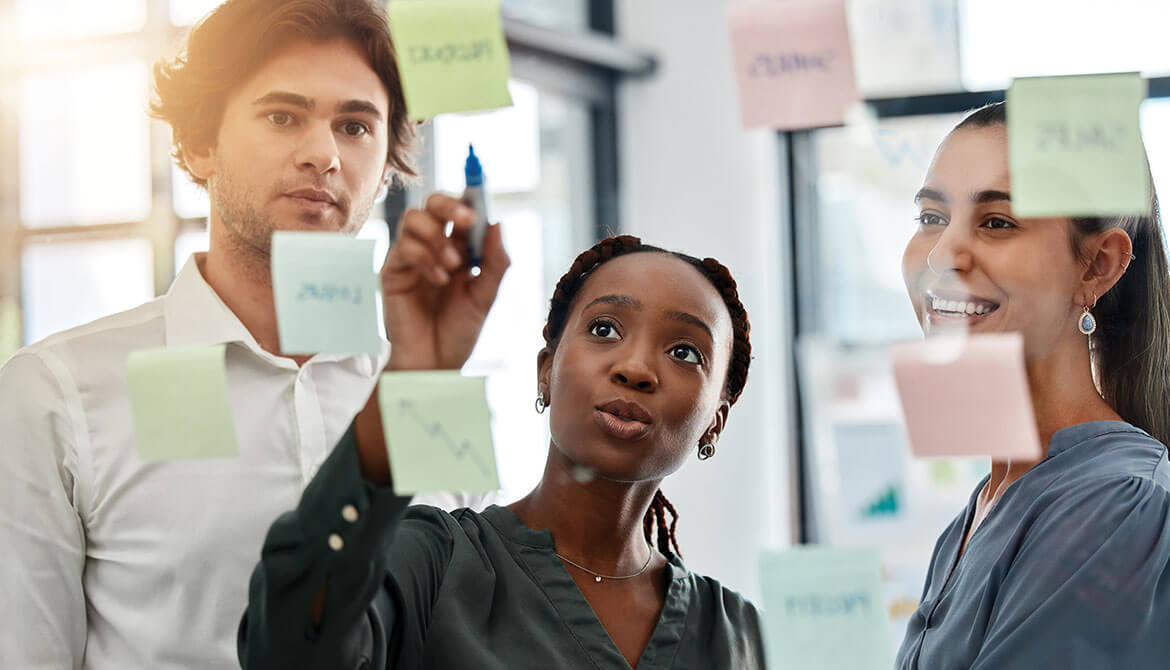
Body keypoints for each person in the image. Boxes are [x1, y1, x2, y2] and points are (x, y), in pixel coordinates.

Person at [0, 1, 506, 667]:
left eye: (355, 126)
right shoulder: (57, 393)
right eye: (282, 116)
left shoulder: (436, 399)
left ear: (386, 167)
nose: (323, 154)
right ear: (199, 144)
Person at [237, 234, 764, 669]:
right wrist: (406, 382)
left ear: (715, 421)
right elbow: (288, 649)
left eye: (684, 351)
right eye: (604, 329)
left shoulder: (736, 635)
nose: (635, 368)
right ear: (546, 372)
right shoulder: (434, 561)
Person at [896, 102, 1170, 668]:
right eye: (931, 218)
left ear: (1097, 266)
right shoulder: (977, 513)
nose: (944, 254)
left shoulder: (1116, 506)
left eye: (998, 222)